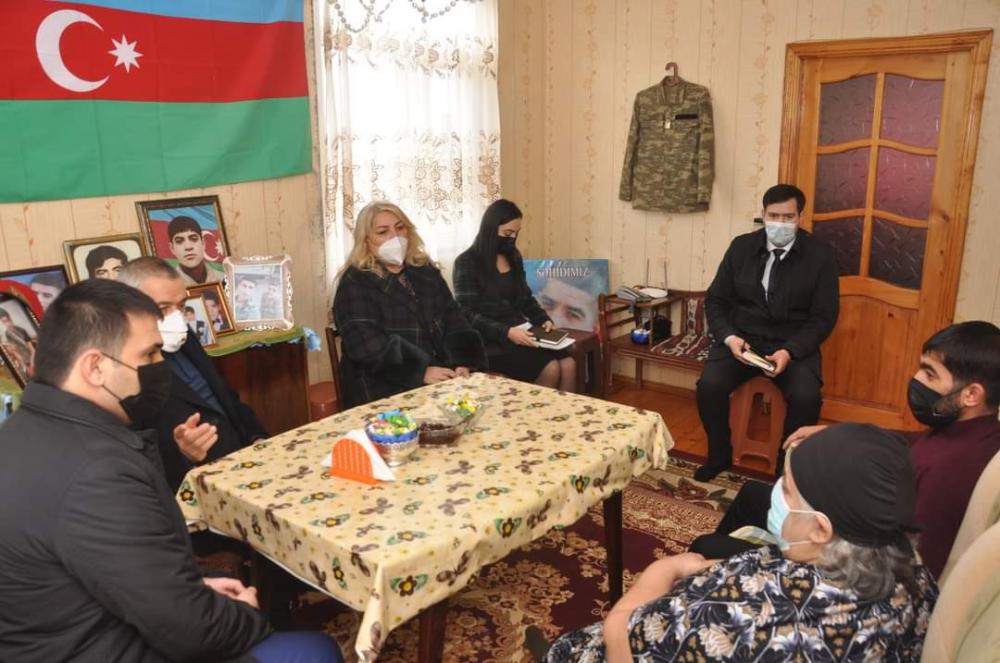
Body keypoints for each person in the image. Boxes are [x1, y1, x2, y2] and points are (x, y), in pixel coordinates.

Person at [0, 278, 342, 663]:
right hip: (103, 648)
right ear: (95, 367)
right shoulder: (97, 472)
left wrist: (195, 588)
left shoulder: (23, 431)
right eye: (149, 355)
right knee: (316, 650)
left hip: (81, 627)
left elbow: (117, 569)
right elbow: (190, 630)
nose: (159, 367)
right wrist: (248, 615)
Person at [545, 424, 938, 662]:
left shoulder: (738, 622)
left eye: (787, 489)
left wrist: (665, 568)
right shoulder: (913, 571)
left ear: (821, 529)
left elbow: (621, 634)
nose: (776, 494)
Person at [690, 321, 1000, 580]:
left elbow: (913, 569)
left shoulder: (950, 471)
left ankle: (717, 583)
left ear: (971, 394)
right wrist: (838, 432)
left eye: (930, 374)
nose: (916, 379)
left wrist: (825, 544)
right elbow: (911, 440)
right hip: (856, 532)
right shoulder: (971, 432)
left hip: (848, 566)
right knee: (752, 494)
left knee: (707, 547)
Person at [694, 183, 839, 482]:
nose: (780, 223)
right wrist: (730, 338)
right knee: (709, 386)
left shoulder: (820, 256)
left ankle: (786, 470)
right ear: (763, 214)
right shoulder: (741, 247)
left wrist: (789, 351)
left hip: (792, 345)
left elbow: (823, 318)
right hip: (743, 341)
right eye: (774, 216)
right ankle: (719, 455)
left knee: (807, 397)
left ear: (800, 217)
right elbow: (716, 300)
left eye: (788, 217)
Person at [119, 258, 268, 493]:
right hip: (195, 487)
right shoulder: (123, 370)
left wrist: (257, 436)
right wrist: (184, 454)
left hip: (240, 462)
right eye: (162, 308)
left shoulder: (183, 334)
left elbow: (225, 396)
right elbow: (137, 458)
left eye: (181, 306)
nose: (176, 317)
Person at [333, 201, 487, 407]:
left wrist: (462, 361)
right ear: (366, 241)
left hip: (439, 373)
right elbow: (365, 344)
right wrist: (420, 371)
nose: (395, 237)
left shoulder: (424, 269)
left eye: (400, 228)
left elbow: (452, 315)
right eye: (383, 232)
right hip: (380, 383)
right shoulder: (355, 281)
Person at [453, 199, 576, 390]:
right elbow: (466, 314)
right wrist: (507, 332)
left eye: (516, 233)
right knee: (551, 368)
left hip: (521, 332)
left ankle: (564, 411)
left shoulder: (513, 255)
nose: (512, 238)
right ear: (490, 229)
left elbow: (525, 297)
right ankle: (535, 410)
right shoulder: (467, 262)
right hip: (490, 340)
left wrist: (543, 319)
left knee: (568, 365)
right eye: (507, 233)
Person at [167, 215, 223, 285]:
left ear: (203, 243)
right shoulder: (168, 286)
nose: (188, 247)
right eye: (179, 241)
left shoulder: (224, 279)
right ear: (172, 248)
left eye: (193, 239)